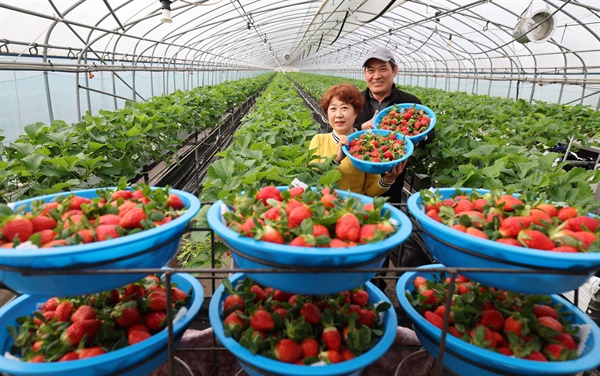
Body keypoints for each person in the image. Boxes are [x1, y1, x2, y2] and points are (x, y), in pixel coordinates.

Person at [354, 45, 436, 204]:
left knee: (389, 222)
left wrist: (422, 137)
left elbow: (430, 131)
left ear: (395, 70)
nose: (376, 76)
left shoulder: (409, 102)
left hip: (393, 177)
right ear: (365, 74)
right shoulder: (354, 102)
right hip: (355, 179)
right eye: (371, 70)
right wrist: (363, 127)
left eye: (382, 69)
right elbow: (336, 132)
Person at [308, 83, 406, 197]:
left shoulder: (367, 144)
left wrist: (388, 179)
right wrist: (336, 160)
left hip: (355, 209)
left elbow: (370, 191)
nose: (338, 115)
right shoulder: (319, 140)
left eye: (344, 108)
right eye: (333, 109)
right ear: (327, 113)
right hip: (325, 208)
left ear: (356, 113)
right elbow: (313, 180)